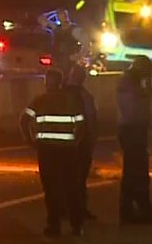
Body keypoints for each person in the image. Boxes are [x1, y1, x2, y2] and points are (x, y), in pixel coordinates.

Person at [19, 68, 87, 237]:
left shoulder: (39, 101)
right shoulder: (71, 100)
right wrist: (76, 141)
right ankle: (77, 226)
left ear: (47, 83)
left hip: (47, 150)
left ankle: (54, 226)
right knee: (72, 188)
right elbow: (82, 124)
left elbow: (23, 119)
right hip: (68, 150)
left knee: (51, 189)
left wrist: (29, 139)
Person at [117, 55, 152, 226]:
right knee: (139, 173)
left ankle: (128, 211)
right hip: (134, 130)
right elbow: (138, 107)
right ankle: (144, 212)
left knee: (130, 173)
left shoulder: (126, 81)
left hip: (129, 129)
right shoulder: (136, 83)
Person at [64, 63, 98, 221]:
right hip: (80, 143)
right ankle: (79, 210)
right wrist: (91, 140)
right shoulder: (85, 96)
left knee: (65, 178)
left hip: (62, 144)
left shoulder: (60, 94)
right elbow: (90, 120)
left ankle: (65, 210)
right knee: (79, 179)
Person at [38, 9, 88, 77]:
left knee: (66, 78)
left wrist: (78, 55)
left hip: (68, 61)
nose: (60, 18)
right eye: (58, 16)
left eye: (61, 16)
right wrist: (54, 12)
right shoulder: (56, 28)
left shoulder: (74, 30)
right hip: (56, 60)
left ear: (66, 16)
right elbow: (41, 19)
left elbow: (86, 43)